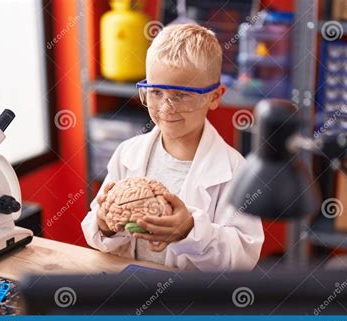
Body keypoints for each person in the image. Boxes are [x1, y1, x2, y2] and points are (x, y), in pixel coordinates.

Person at [81, 24, 264, 271]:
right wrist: (103, 224)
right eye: (156, 92)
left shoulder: (235, 171)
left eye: (181, 95)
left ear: (215, 96)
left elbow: (243, 257)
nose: (166, 108)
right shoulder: (127, 154)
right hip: (130, 291)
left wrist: (189, 230)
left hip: (190, 302)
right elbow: (95, 230)